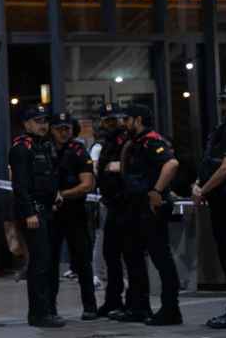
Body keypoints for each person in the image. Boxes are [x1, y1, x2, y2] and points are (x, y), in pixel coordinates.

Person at [122, 104, 182, 326]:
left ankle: (171, 309)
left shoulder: (152, 140)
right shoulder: (136, 143)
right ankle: (139, 307)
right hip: (136, 207)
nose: (124, 124)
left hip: (151, 208)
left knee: (161, 258)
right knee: (133, 256)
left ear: (138, 120)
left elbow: (171, 164)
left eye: (127, 119)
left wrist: (157, 191)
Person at [192, 84, 226, 329]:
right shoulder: (223, 128)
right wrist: (197, 184)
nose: (225, 106)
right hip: (221, 202)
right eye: (223, 101)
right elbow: (210, 162)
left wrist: (204, 189)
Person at [10, 105, 65, 328]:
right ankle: (39, 313)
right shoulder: (21, 148)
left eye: (45, 121)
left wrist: (56, 195)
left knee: (49, 262)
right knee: (40, 263)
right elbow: (20, 185)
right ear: (27, 124)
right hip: (33, 213)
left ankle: (49, 309)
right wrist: (30, 212)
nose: (43, 125)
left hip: (47, 209)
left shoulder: (45, 146)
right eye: (38, 121)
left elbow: (48, 177)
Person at [50, 111, 99, 320]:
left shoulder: (78, 151)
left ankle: (90, 307)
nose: (63, 132)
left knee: (82, 262)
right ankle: (49, 309)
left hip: (75, 212)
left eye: (67, 129)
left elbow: (88, 184)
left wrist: (63, 194)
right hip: (51, 214)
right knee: (50, 262)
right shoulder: (43, 149)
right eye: (59, 128)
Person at [91, 104, 130, 318]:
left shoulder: (128, 141)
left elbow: (132, 167)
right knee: (110, 254)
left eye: (114, 120)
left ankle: (135, 302)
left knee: (130, 256)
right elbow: (100, 171)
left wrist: (118, 167)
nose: (110, 125)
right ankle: (113, 300)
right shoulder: (105, 144)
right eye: (106, 121)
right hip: (111, 204)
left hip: (128, 205)